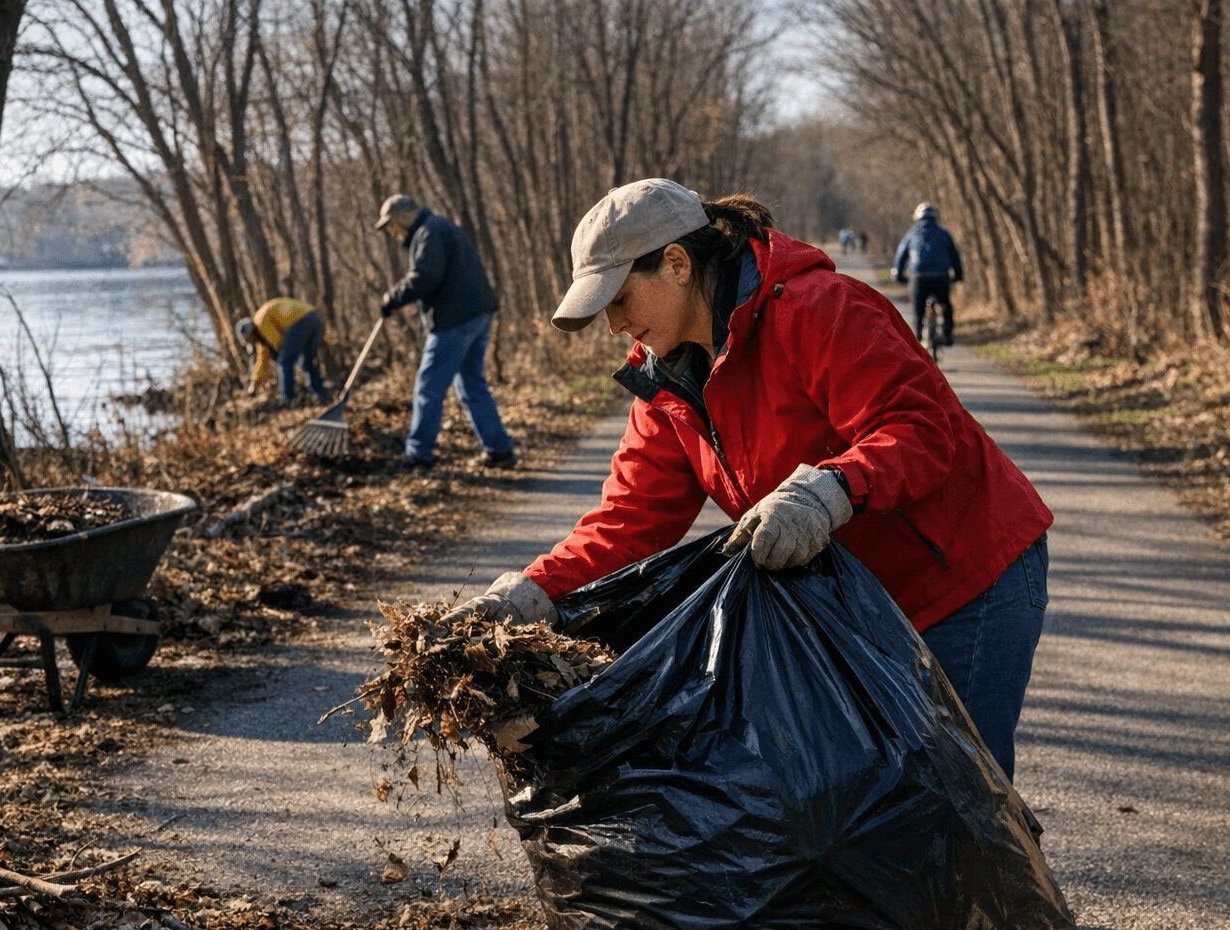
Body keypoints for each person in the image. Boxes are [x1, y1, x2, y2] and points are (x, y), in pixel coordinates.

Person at [444, 178, 1052, 779]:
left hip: (966, 577)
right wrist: (532, 593)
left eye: (620, 300)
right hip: (854, 605)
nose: (614, 326)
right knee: (864, 809)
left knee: (959, 802)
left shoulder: (818, 311)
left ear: (676, 264)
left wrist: (830, 488)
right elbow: (629, 520)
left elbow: (919, 428)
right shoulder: (665, 388)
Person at [375, 193, 516, 470]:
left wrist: (392, 298)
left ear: (403, 215)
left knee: (429, 385)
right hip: (477, 314)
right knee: (472, 385)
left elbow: (425, 277)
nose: (393, 232)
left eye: (391, 224)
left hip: (456, 319)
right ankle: (499, 450)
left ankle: (418, 454)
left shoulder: (430, 232)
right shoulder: (440, 227)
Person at [237, 297, 330, 407]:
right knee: (307, 361)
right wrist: (254, 384)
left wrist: (280, 359)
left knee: (284, 361)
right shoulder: (261, 319)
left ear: (252, 334)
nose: (253, 342)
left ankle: (287, 399)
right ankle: (321, 395)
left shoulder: (260, 322)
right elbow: (262, 358)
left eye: (251, 340)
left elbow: (279, 344)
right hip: (314, 317)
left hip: (300, 322)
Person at [893, 203, 963, 345]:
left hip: (918, 277)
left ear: (917, 217)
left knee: (918, 307)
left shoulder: (911, 234)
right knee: (945, 304)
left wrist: (898, 274)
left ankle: (917, 336)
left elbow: (901, 255)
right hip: (941, 277)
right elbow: (954, 256)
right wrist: (958, 274)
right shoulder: (943, 233)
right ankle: (947, 334)